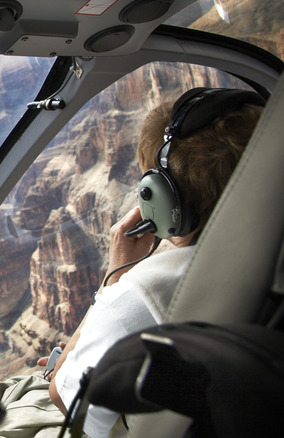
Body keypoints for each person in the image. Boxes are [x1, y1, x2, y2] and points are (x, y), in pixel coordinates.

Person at [48, 88, 264, 437]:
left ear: (162, 199)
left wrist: (113, 279)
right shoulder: (270, 255)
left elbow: (64, 398)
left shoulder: (140, 296)